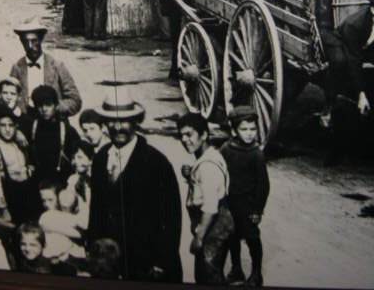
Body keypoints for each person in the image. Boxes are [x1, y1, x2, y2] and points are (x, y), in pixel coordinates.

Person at [88, 89, 182, 282]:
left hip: (146, 262)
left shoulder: (156, 163)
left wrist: (162, 261)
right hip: (110, 262)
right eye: (111, 121)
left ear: (135, 122)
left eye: (124, 121)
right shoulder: (100, 158)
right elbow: (96, 208)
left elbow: (171, 217)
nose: (117, 127)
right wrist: (93, 245)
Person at [321, 0, 374, 165]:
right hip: (340, 43)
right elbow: (354, 60)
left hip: (364, 48)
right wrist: (361, 94)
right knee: (340, 62)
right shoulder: (355, 24)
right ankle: (328, 105)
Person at [177, 112, 233, 285]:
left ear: (204, 135)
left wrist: (198, 237)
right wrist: (191, 173)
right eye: (181, 136)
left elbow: (210, 207)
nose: (185, 140)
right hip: (217, 224)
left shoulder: (207, 166)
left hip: (212, 226)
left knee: (207, 275)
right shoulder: (210, 156)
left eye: (189, 134)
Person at [220, 106, 270, 287]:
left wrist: (258, 209)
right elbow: (219, 171)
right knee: (232, 236)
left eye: (253, 129)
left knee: (252, 238)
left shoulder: (256, 154)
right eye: (244, 129)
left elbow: (263, 185)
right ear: (234, 130)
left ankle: (256, 273)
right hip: (230, 202)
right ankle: (236, 269)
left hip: (248, 205)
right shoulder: (226, 149)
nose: (249, 134)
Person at [10, 18, 82, 118]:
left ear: (41, 39)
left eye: (34, 40)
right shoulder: (17, 68)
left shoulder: (57, 66)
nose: (30, 46)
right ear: (21, 42)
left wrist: (53, 108)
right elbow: (10, 97)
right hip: (26, 121)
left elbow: (75, 101)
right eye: (26, 42)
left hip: (54, 122)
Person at [0, 105, 36, 225]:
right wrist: (2, 207)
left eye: (11, 125)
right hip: (11, 197)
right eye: (3, 125)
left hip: (26, 193)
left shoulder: (19, 142)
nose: (7, 129)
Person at [30, 85, 80, 184]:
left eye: (48, 105)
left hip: (61, 181)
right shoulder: (33, 127)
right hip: (39, 181)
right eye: (40, 105)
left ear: (56, 106)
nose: (44, 109)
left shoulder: (66, 130)